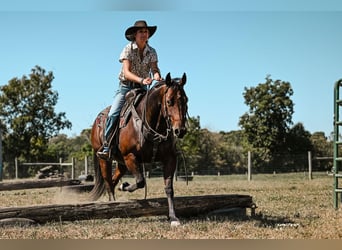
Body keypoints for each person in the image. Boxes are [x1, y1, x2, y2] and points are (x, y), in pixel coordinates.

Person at [97, 20, 162, 159]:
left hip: (143, 89)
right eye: (141, 32)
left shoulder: (152, 51)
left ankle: (158, 144)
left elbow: (155, 69)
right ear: (134, 35)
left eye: (146, 31)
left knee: (157, 110)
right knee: (114, 113)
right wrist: (142, 79)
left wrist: (157, 76)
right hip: (126, 88)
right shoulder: (127, 49)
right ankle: (107, 146)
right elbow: (126, 72)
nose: (144, 34)